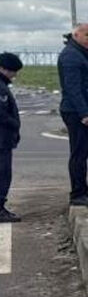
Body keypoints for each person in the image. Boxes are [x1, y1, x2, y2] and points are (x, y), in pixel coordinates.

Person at [58, 23, 88, 207]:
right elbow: (73, 88)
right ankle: (78, 194)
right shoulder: (71, 56)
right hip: (76, 112)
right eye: (87, 35)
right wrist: (85, 113)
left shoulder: (79, 54)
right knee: (78, 155)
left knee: (82, 154)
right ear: (76, 35)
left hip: (82, 111)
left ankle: (82, 191)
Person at [0, 52, 22, 223]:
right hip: (2, 139)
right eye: (12, 71)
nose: (14, 75)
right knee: (3, 173)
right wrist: (14, 124)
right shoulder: (1, 88)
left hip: (4, 138)